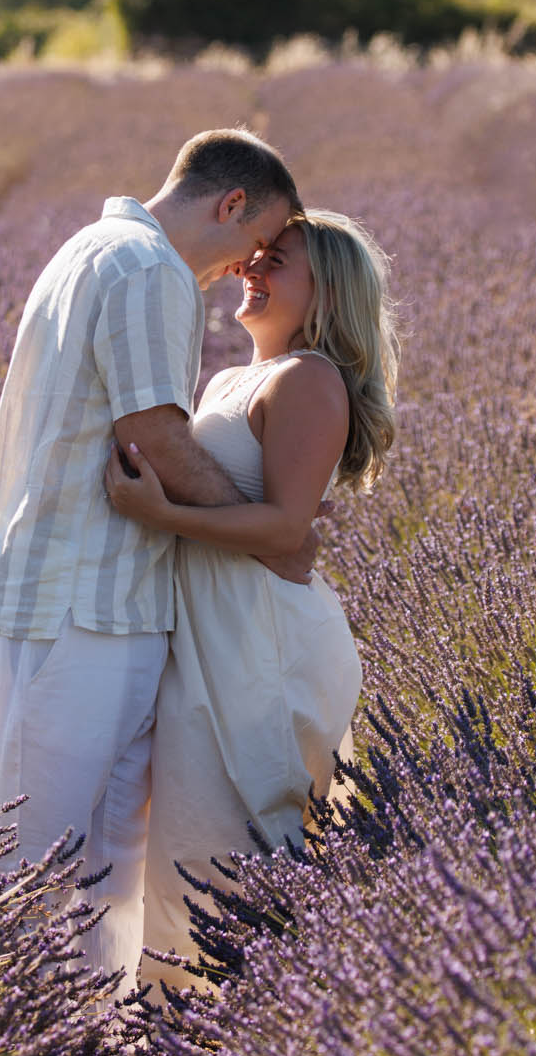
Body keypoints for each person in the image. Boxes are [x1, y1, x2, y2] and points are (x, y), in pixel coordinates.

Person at [0, 128, 306, 994]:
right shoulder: (148, 268)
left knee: (100, 865)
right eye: (257, 240)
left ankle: (95, 1040)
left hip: (98, 597)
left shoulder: (96, 247)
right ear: (231, 203)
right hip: (75, 600)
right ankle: (19, 1041)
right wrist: (266, 534)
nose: (248, 266)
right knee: (38, 861)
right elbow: (152, 435)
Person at [104, 209, 399, 997]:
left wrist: (160, 514)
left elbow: (284, 529)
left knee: (225, 843)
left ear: (325, 293)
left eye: (277, 262)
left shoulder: (310, 378)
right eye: (255, 256)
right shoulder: (233, 377)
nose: (251, 270)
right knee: (184, 835)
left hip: (262, 635)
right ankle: (187, 1025)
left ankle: (249, 1021)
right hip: (217, 627)